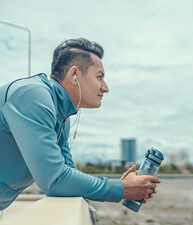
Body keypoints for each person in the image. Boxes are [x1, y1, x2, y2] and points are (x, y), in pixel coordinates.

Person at [0, 38, 160, 211]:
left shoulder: (61, 117)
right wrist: (123, 189)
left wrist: (123, 185)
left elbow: (68, 175)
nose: (105, 88)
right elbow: (54, 180)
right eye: (100, 77)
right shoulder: (32, 96)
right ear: (74, 74)